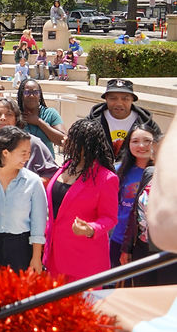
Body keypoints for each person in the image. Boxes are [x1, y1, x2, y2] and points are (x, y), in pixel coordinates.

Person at [44, 118, 119, 282]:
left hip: (84, 263)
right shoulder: (66, 166)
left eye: (71, 138)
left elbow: (110, 218)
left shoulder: (106, 178)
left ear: (86, 145)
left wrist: (90, 229)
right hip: (53, 257)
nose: (64, 140)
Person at [0, 126, 46, 272]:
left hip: (20, 249)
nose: (27, 157)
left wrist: (36, 258)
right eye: (23, 153)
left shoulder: (33, 182)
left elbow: (38, 224)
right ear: (5, 153)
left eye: (29, 153)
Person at [120, 125, 177, 285]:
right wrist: (127, 247)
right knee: (141, 296)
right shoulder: (149, 173)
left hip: (169, 254)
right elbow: (134, 214)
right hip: (142, 249)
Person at [0, 99, 59, 180]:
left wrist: (29, 185)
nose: (2, 118)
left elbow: (52, 175)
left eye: (9, 114)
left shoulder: (33, 143)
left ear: (17, 119)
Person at [110, 123, 157, 268]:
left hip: (147, 243)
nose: (141, 146)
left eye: (147, 141)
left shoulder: (162, 173)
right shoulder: (118, 170)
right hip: (117, 237)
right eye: (135, 141)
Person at [87, 78, 161, 159]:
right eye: (113, 98)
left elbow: (160, 151)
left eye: (125, 99)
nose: (119, 103)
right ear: (106, 98)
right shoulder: (91, 122)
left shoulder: (147, 124)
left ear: (132, 100)